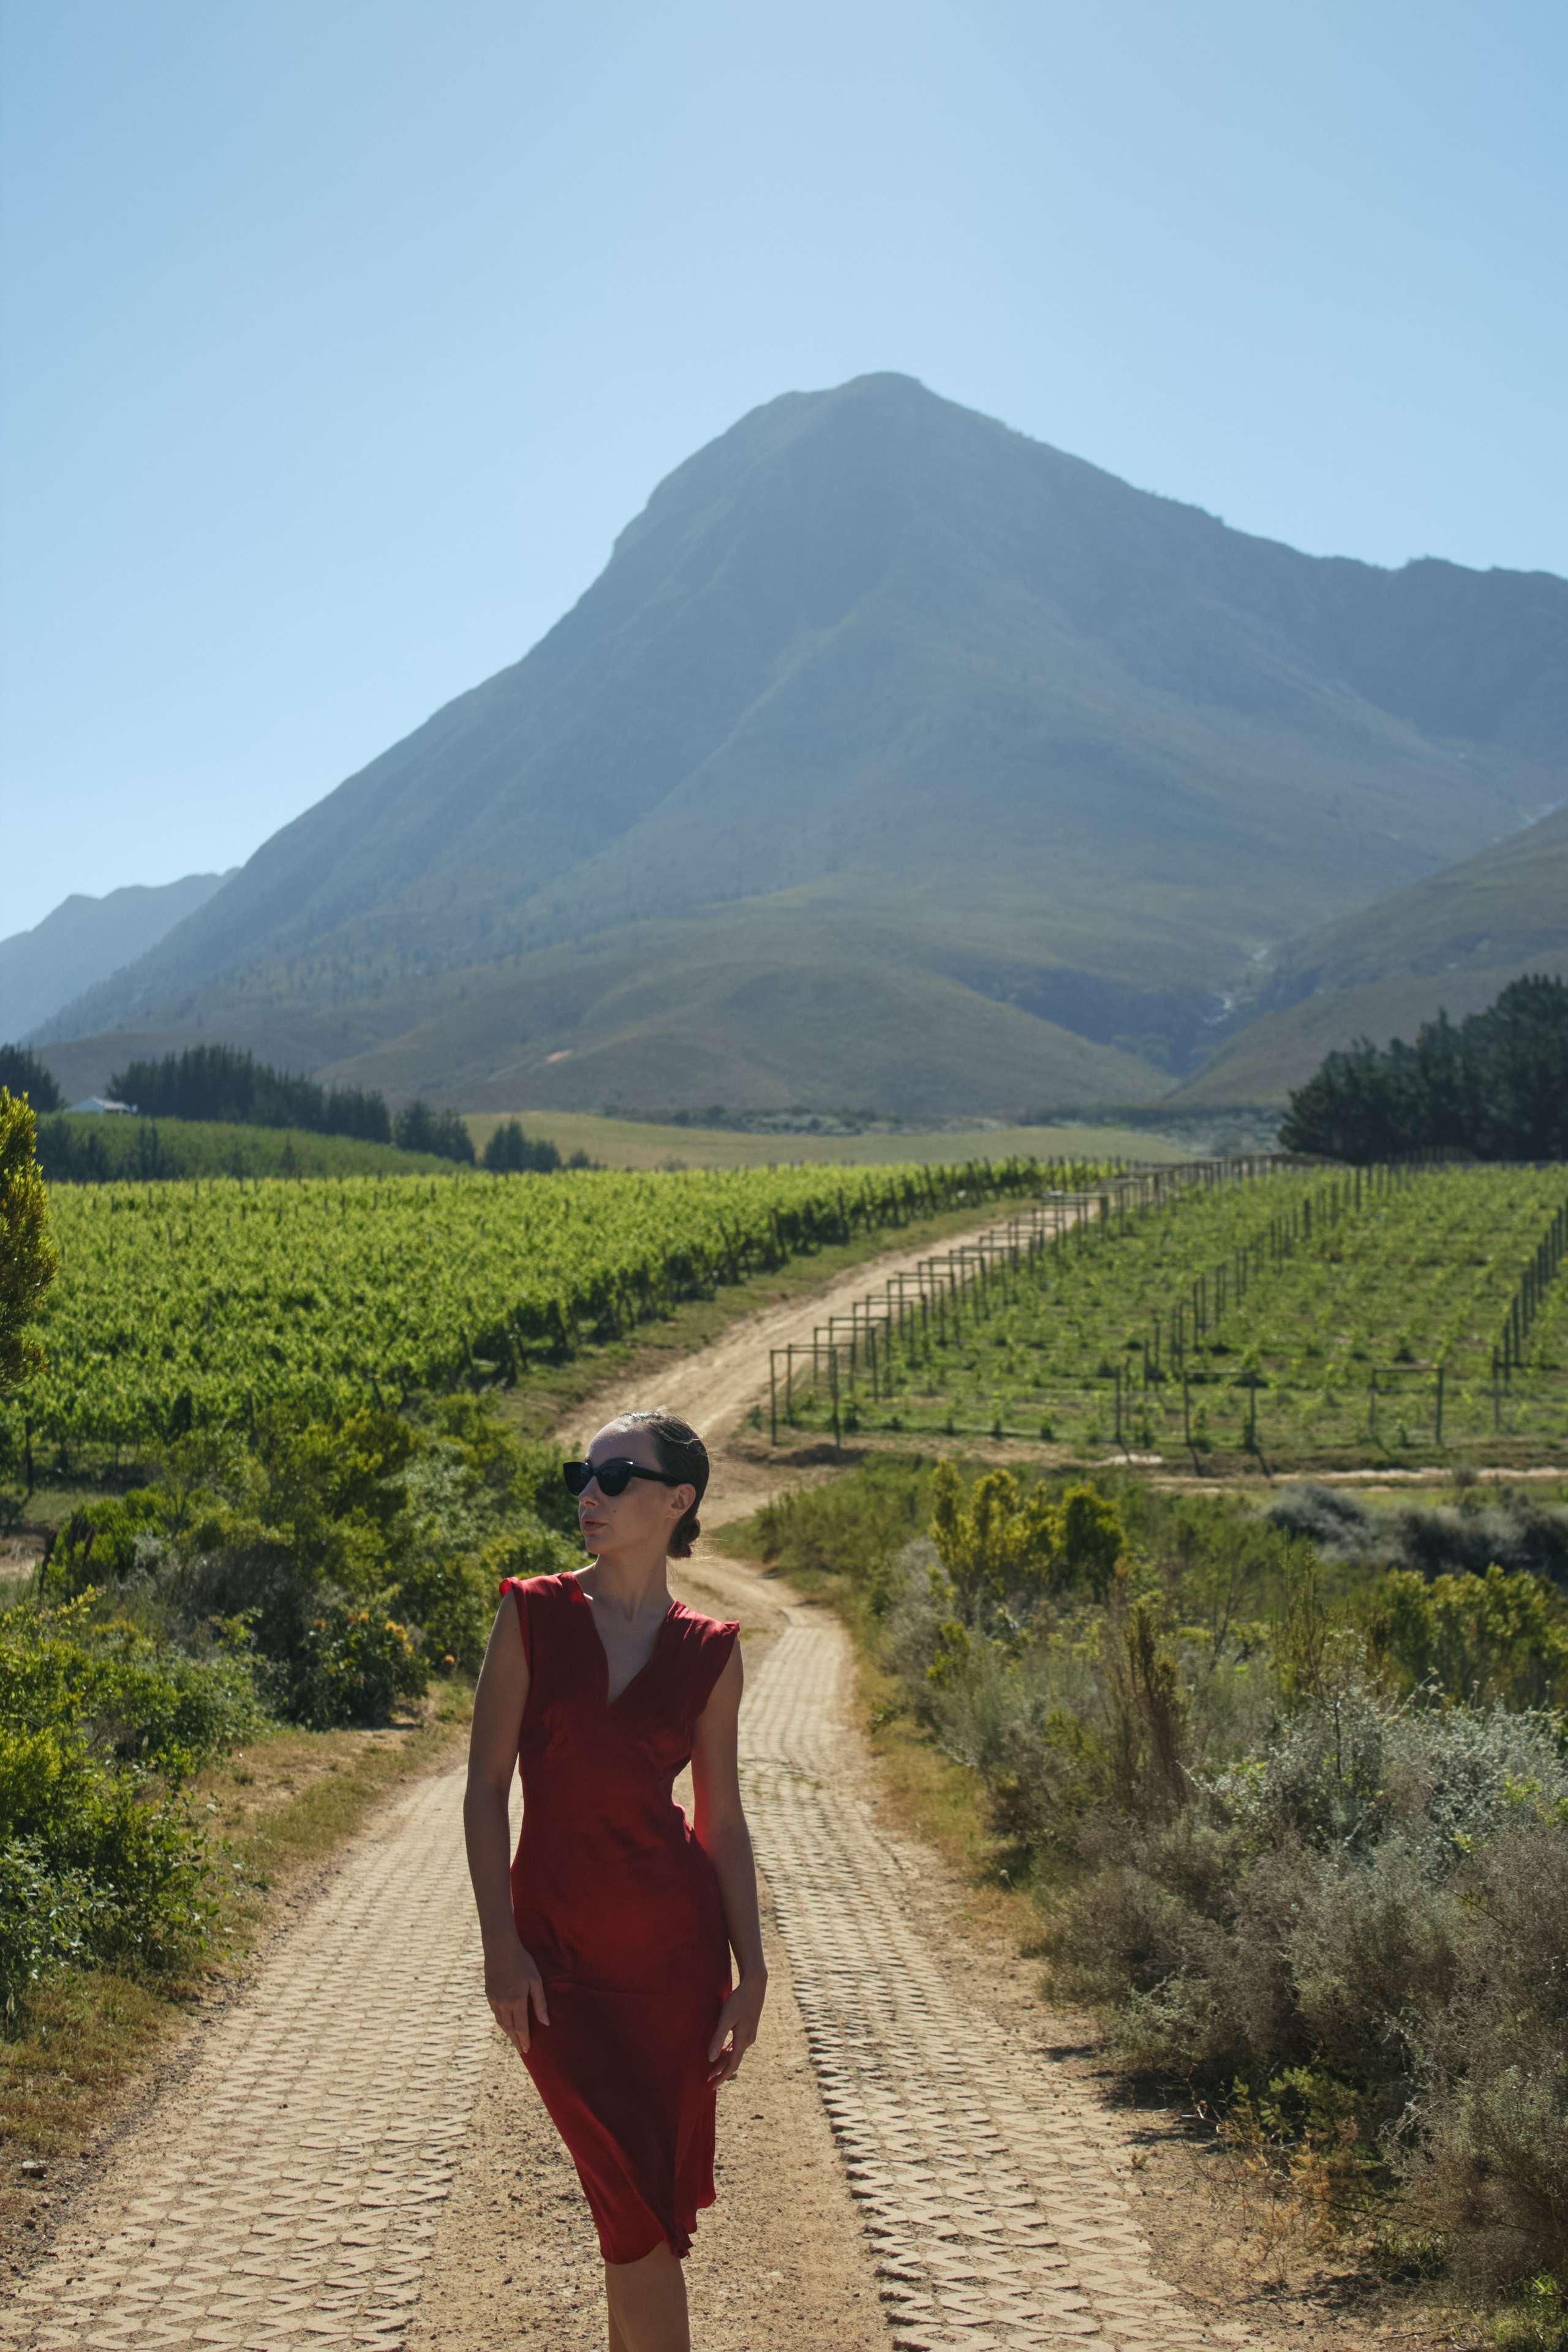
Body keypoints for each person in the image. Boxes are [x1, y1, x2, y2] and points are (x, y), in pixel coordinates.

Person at [464, 1407, 766, 2352]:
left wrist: (750, 1976)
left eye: (615, 1478)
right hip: (555, 1968)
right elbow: (484, 1794)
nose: (588, 1496)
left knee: (638, 2223)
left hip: (673, 1968)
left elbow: (722, 1824)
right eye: (581, 1477)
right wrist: (500, 1947)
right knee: (630, 2212)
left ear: (677, 1501)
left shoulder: (710, 1651)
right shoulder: (533, 1613)